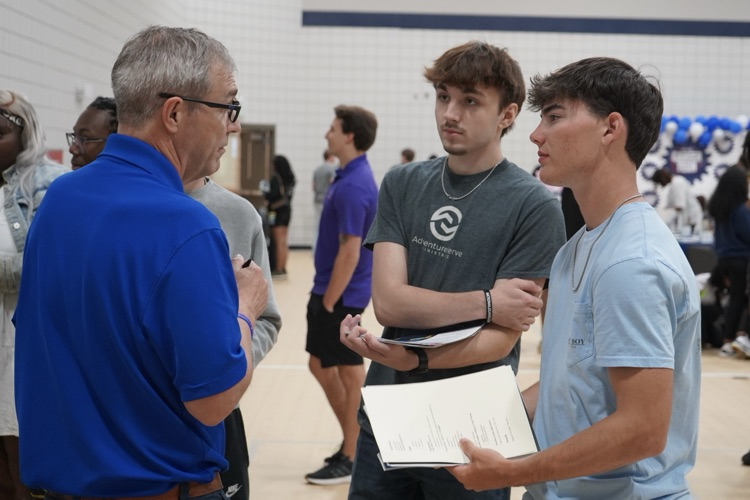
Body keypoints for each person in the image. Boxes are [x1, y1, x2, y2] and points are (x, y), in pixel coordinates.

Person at [14, 26, 268, 499]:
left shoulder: (60, 199)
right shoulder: (186, 226)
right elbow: (213, 401)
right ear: (175, 113)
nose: (233, 125)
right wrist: (245, 309)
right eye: (227, 106)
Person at [449, 57, 701, 499]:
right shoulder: (574, 249)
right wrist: (469, 419)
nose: (535, 134)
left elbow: (641, 430)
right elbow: (573, 381)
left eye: (554, 116)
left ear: (610, 128)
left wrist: (512, 471)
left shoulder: (632, 263)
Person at [339, 40, 565, 500]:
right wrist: (487, 302)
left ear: (508, 115)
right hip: (388, 417)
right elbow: (389, 302)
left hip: (473, 433)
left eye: (469, 101)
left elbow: (502, 338)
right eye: (443, 96)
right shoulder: (403, 183)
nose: (450, 113)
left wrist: (417, 355)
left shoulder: (534, 206)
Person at [183, 175, 282, 500]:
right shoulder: (115, 204)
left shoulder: (238, 213)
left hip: (216, 414)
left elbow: (265, 317)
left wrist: (227, 366)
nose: (233, 129)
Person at [304, 105, 379, 485]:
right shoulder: (347, 175)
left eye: (332, 128)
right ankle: (352, 442)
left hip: (341, 295)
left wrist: (331, 301)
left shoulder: (353, 184)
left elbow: (351, 250)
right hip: (332, 290)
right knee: (320, 365)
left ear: (349, 135)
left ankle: (352, 454)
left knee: (349, 373)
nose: (327, 134)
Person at [0, 90, 65, 500]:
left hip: (23, 344)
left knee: (26, 465)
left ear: (27, 133)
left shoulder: (50, 183)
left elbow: (45, 268)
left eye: (0, 132)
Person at [707, 166, 750, 358]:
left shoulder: (719, 209)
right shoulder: (739, 210)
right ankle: (739, 337)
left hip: (724, 258)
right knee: (740, 300)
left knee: (734, 300)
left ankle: (727, 340)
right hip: (741, 259)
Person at [265, 154, 296, 279]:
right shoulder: (289, 179)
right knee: (283, 241)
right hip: (287, 211)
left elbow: (271, 195)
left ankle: (277, 269)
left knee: (277, 241)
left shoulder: (275, 178)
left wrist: (266, 193)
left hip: (276, 212)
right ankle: (283, 267)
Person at [66, 96, 118, 170]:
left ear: (114, 143)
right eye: (74, 136)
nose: (72, 149)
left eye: (84, 138)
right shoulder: (62, 180)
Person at [651, 167, 704, 234]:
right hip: (687, 219)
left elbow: (679, 206)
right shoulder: (672, 186)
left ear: (662, 178)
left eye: (660, 182)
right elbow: (670, 206)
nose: (661, 185)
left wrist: (665, 220)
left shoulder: (678, 183)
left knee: (691, 240)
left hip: (692, 218)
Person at [312, 150, 337, 252]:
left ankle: (314, 249)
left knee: (317, 225)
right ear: (330, 156)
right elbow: (332, 183)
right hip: (327, 200)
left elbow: (313, 187)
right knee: (327, 226)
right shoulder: (332, 169)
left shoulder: (317, 170)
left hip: (317, 199)